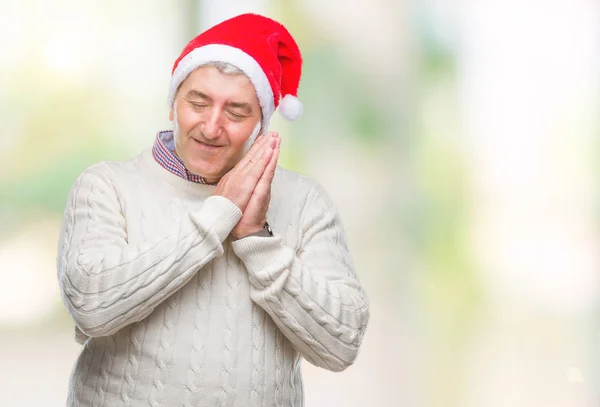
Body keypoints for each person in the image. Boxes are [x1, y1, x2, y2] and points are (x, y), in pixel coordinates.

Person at [57, 13, 369, 407]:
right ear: (173, 104)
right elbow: (91, 308)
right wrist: (220, 214)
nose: (210, 126)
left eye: (236, 112)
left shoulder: (305, 202)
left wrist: (256, 239)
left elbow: (341, 346)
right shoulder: (105, 186)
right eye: (198, 103)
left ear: (261, 124)